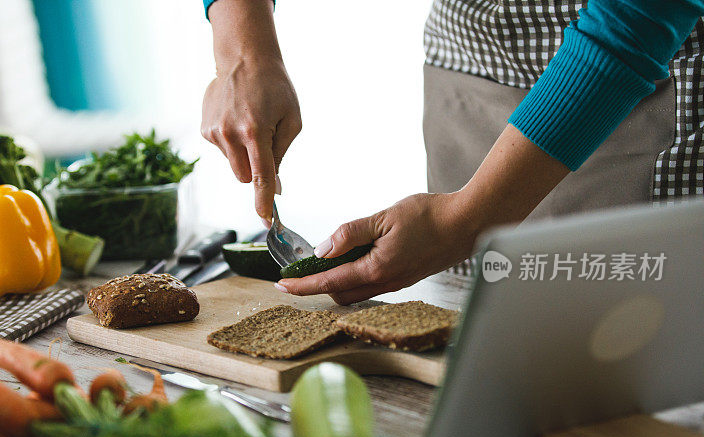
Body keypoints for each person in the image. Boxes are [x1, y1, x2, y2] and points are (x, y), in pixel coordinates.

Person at [201, 0, 704, 304]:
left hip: (630, 85)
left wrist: (467, 219)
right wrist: (243, 49)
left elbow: (639, 12)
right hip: (471, 65)